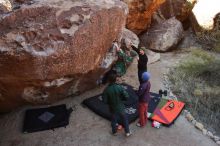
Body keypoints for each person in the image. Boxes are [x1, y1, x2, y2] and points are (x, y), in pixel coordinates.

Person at [102, 73, 132, 137]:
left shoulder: (106, 90)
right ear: (116, 79)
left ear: (108, 80)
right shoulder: (119, 87)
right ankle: (127, 132)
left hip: (112, 108)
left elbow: (104, 101)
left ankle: (114, 132)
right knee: (125, 119)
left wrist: (110, 102)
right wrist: (122, 99)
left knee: (113, 120)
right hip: (121, 107)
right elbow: (126, 96)